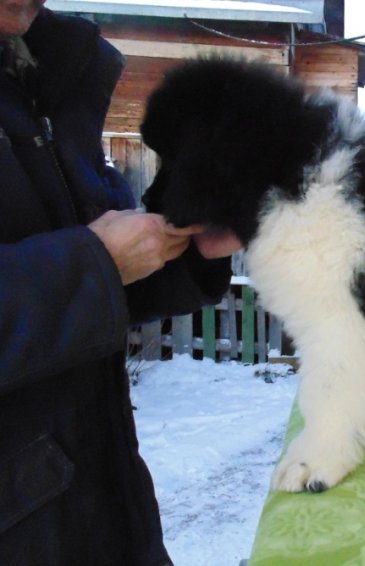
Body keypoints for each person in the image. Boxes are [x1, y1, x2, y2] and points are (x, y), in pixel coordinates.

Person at [0, 1, 240, 563]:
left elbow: (103, 273)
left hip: (103, 502)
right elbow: (93, 261)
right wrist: (92, 265)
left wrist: (188, 249)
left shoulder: (44, 70)